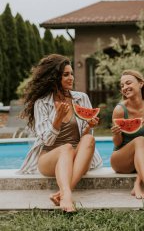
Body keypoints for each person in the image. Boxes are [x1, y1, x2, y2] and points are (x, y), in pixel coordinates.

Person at [18, 54, 103, 212]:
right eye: (66, 74)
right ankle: (67, 195)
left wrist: (88, 125)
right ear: (54, 77)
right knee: (66, 148)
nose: (71, 78)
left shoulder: (81, 98)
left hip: (77, 156)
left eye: (71, 74)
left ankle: (63, 193)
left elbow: (84, 136)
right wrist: (57, 119)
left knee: (89, 139)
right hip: (49, 156)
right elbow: (47, 141)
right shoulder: (41, 103)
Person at [110, 70, 144, 203]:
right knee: (140, 140)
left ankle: (137, 184)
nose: (125, 87)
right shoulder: (120, 110)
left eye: (128, 83)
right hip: (121, 161)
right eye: (122, 85)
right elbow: (117, 142)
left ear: (140, 83)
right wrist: (116, 133)